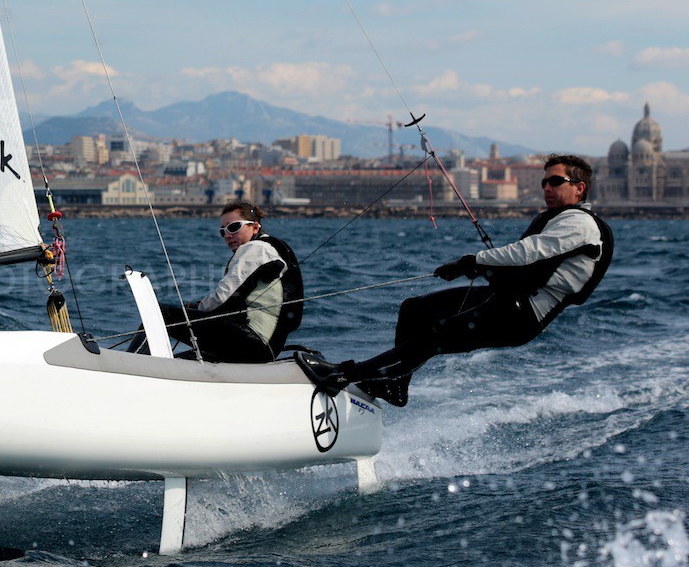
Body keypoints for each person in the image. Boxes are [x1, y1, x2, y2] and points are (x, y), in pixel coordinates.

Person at [298, 153, 612, 406]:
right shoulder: (560, 220)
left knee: (433, 336)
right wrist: (479, 268)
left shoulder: (580, 224)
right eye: (544, 182)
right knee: (414, 310)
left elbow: (530, 252)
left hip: (522, 315)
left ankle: (346, 375)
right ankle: (394, 386)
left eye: (555, 181)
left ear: (579, 188)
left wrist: (471, 261)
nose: (546, 187)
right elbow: (526, 264)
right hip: (504, 300)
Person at [140, 200, 303, 363]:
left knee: (158, 314)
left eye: (233, 227)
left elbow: (222, 297)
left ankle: (136, 364)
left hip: (252, 341)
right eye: (223, 231)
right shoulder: (270, 248)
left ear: (254, 227)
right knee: (183, 359)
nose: (228, 235)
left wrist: (196, 309)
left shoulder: (256, 248)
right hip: (265, 347)